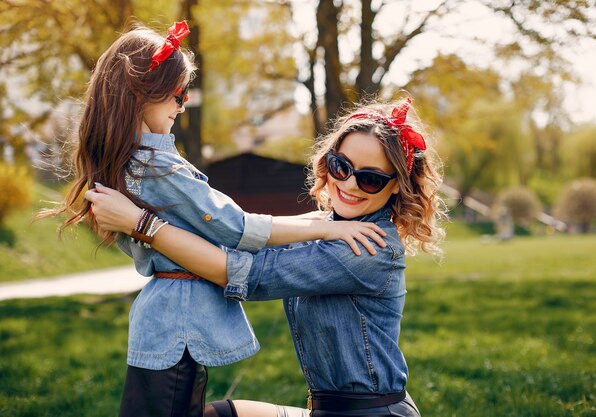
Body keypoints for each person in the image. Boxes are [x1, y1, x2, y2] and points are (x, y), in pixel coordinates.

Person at [38, 20, 386, 417]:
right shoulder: (157, 166)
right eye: (176, 94)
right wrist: (327, 225)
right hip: (178, 326)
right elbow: (237, 227)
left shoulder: (132, 163)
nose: (182, 105)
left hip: (168, 321)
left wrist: (325, 219)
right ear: (141, 93)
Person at [86, 97, 446, 417]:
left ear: (397, 183)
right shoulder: (333, 225)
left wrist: (140, 223)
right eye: (341, 167)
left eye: (370, 180)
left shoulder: (368, 247)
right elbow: (244, 236)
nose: (350, 185)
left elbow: (238, 272)